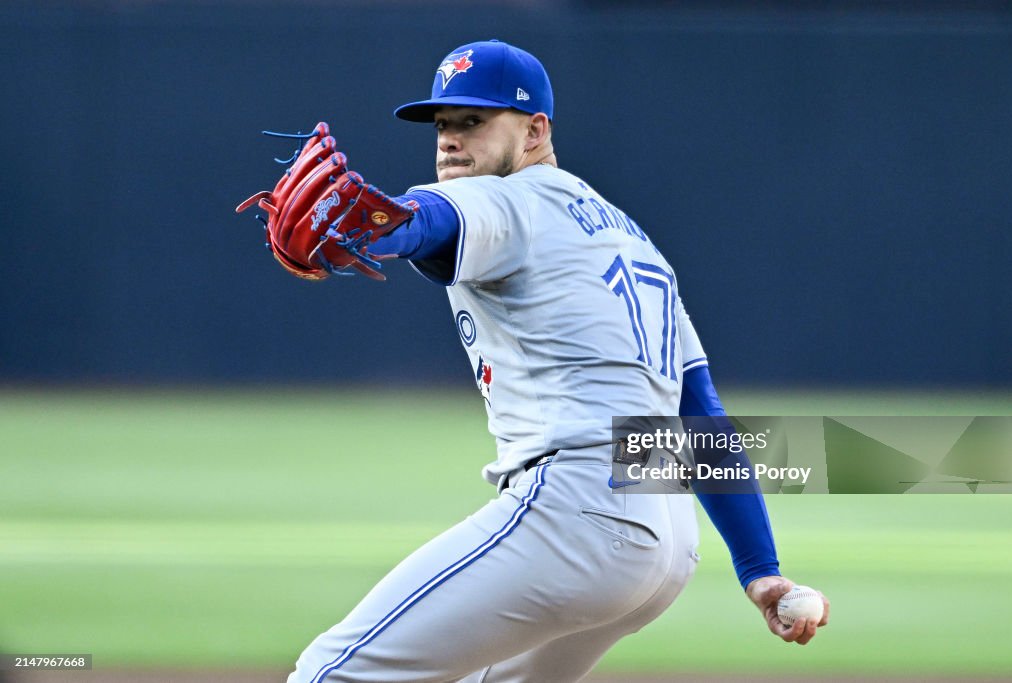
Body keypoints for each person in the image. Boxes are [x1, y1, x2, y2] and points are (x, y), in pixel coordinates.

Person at [286, 39, 829, 683]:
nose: (451, 139)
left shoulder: (505, 198)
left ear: (535, 131)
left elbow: (424, 219)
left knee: (328, 673)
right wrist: (759, 567)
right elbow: (700, 415)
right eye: (442, 124)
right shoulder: (632, 240)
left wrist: (377, 224)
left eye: (474, 120)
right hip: (663, 539)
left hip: (574, 514)